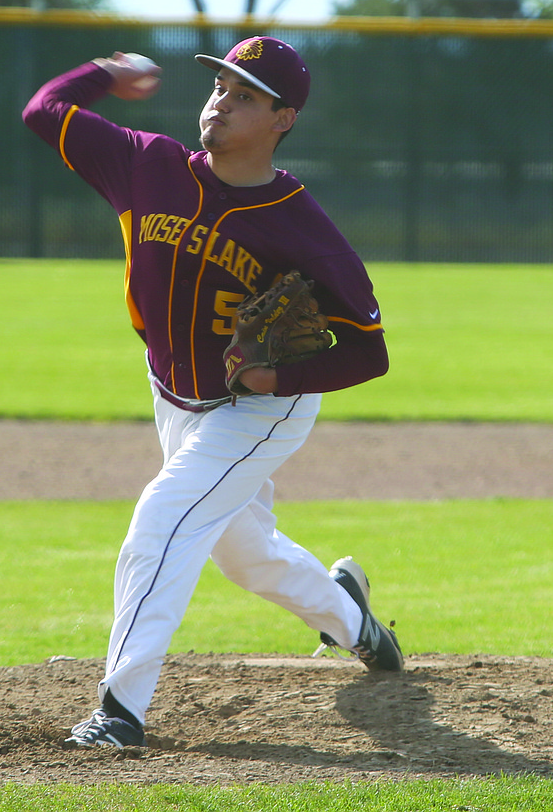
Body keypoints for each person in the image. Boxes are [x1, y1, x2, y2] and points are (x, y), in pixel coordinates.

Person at [23, 36, 405, 749]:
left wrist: (278, 377)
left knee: (163, 519)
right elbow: (44, 112)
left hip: (260, 407)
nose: (220, 104)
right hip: (174, 394)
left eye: (244, 96)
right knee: (243, 553)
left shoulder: (302, 227)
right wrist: (102, 74)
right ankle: (353, 618)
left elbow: (369, 350)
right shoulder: (146, 165)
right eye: (220, 88)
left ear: (282, 119)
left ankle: (120, 710)